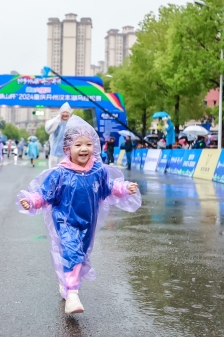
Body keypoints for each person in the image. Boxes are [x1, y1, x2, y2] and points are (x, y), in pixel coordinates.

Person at [17, 116, 141, 314]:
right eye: (78, 144)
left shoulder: (98, 171)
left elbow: (108, 188)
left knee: (80, 255)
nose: (84, 149)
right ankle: (72, 295)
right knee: (72, 251)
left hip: (87, 223)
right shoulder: (60, 173)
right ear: (67, 149)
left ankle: (66, 284)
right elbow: (44, 194)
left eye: (89, 144)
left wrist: (125, 188)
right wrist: (31, 201)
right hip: (65, 220)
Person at [45, 102, 72, 168]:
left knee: (64, 169)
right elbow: (49, 130)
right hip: (55, 151)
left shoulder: (71, 123)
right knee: (53, 169)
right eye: (63, 112)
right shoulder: (57, 122)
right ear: (60, 113)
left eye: (67, 112)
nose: (65, 114)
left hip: (67, 152)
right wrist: (57, 120)